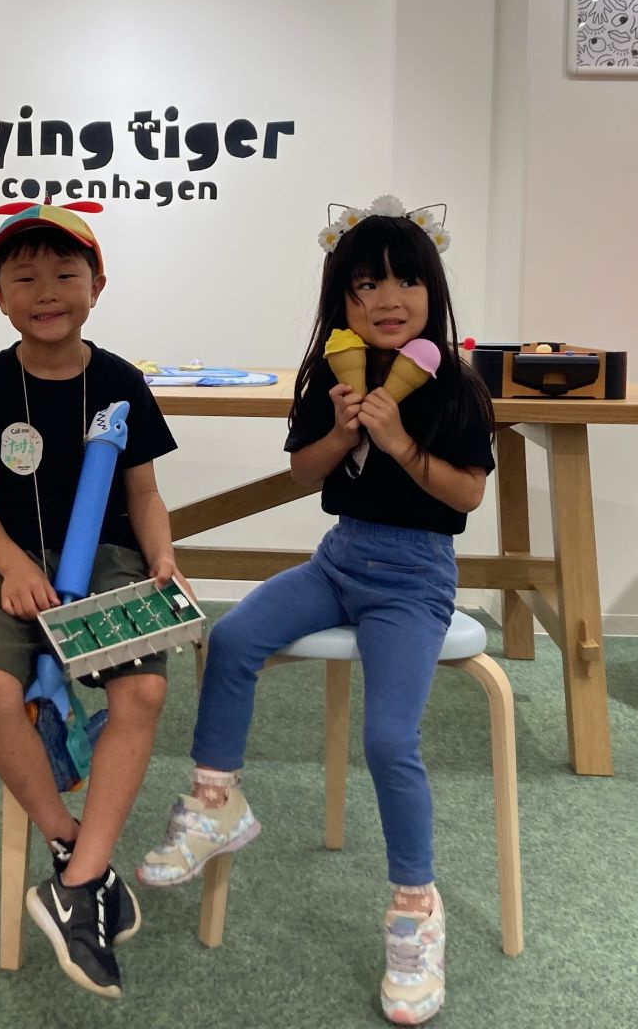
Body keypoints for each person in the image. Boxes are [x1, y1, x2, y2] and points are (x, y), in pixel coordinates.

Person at [137, 198, 494, 1026]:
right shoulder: (331, 375)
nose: (387, 299)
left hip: (414, 578)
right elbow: (305, 473)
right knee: (231, 638)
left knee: (389, 739)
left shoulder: (457, 385)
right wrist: (341, 431)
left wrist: (401, 443)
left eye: (405, 281)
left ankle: (415, 907)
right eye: (365, 285)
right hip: (340, 560)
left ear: (432, 291)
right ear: (342, 300)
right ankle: (217, 801)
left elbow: (467, 495)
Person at [0, 203, 186, 1001]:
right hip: (5, 562)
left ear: (97, 285)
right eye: (25, 278)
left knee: (143, 690)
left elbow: (144, 494)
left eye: (64, 274)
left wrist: (163, 557)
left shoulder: (119, 382)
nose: (46, 291)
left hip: (110, 560)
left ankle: (75, 885)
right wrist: (13, 565)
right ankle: (71, 846)